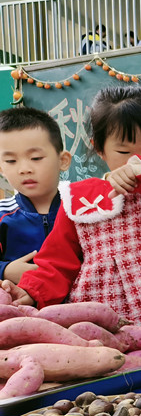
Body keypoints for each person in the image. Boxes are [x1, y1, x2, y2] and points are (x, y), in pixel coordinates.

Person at [1, 86, 141, 354]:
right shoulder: (80, 198)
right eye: (124, 152)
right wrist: (32, 290)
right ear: (100, 151)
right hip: (109, 309)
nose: (136, 161)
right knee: (118, 367)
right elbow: (58, 261)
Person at [0, 107, 71, 284]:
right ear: (1, 169)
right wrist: (5, 270)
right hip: (16, 309)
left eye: (36, 158)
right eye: (11, 161)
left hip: (78, 307)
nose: (24, 169)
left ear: (63, 161)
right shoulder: (2, 214)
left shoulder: (81, 212)